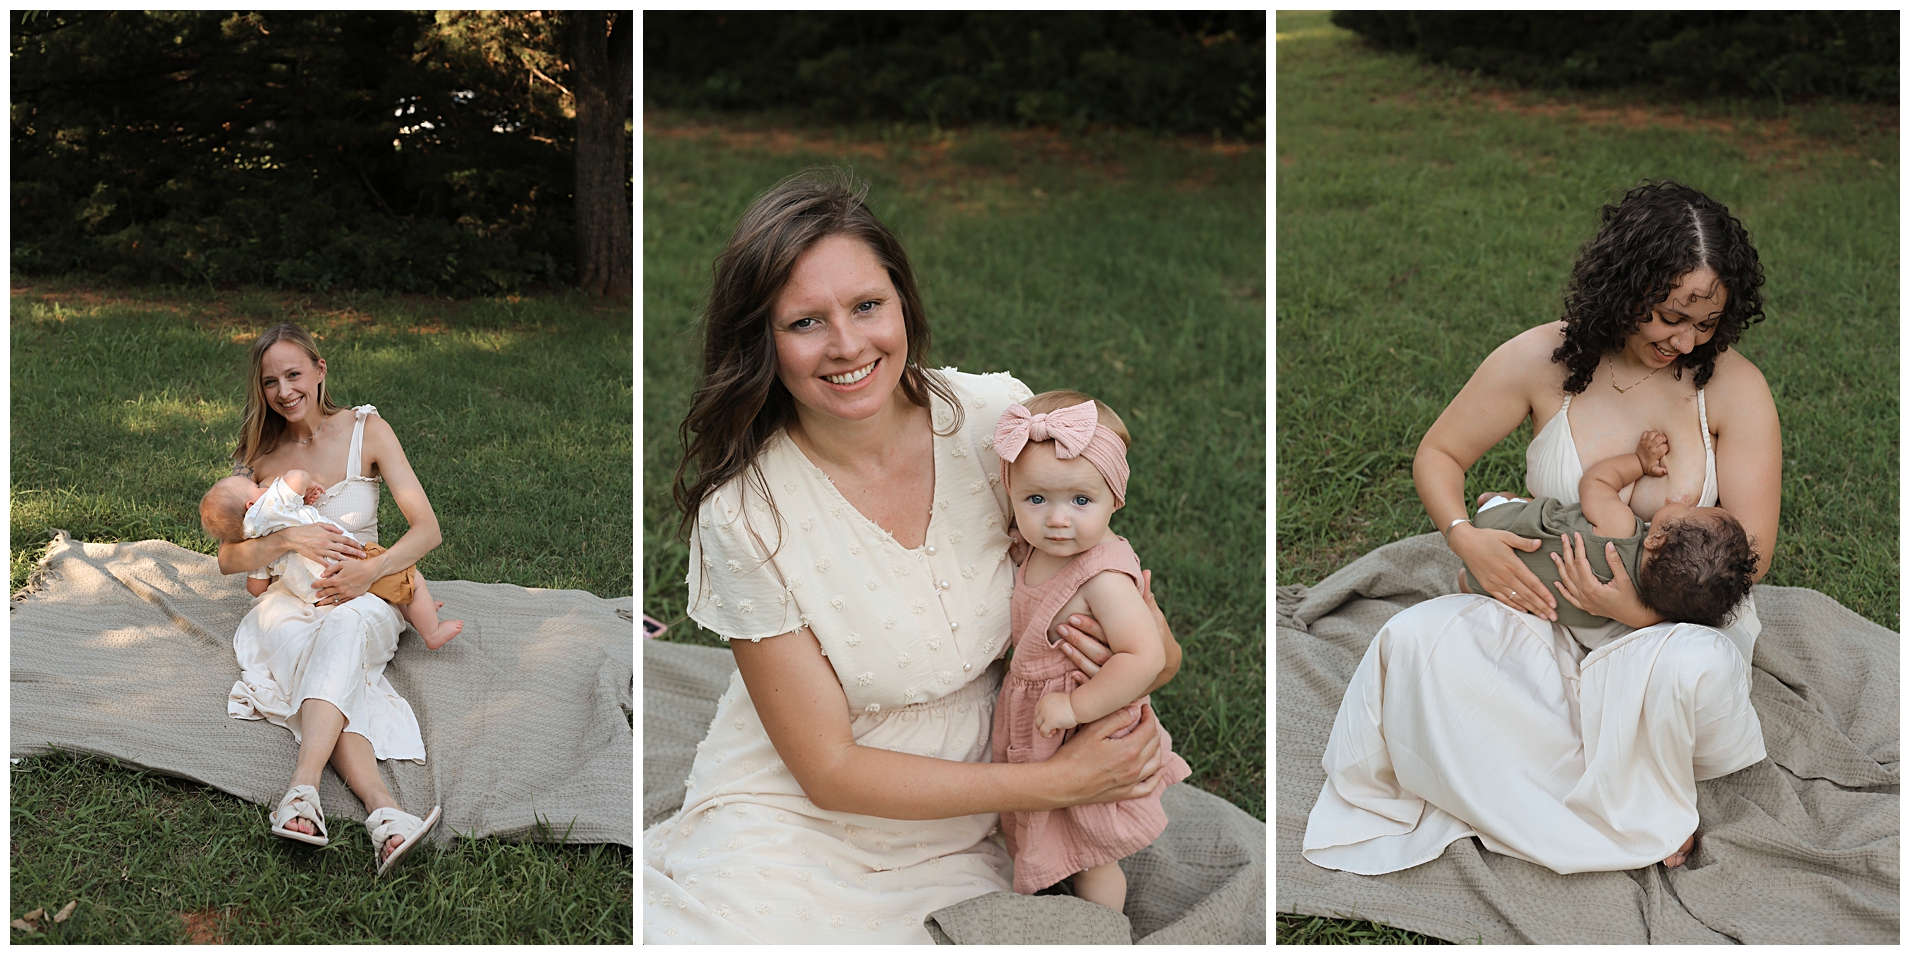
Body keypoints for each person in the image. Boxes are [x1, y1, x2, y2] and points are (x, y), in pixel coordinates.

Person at [642, 170, 1182, 944]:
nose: (848, 345)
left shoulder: (998, 423)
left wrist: (1141, 658)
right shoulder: (746, 514)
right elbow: (826, 770)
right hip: (800, 811)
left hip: (975, 810)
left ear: (903, 301)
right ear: (762, 340)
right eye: (805, 322)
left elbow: (1148, 635)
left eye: (867, 305)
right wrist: (1055, 782)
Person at [1303, 180, 1780, 876]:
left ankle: (1610, 800)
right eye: (1671, 315)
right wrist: (1465, 535)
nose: (1684, 340)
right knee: (1413, 643)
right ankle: (1603, 797)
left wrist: (1639, 613)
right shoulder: (1541, 360)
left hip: (1675, 628)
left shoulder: (1734, 388)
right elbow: (1439, 455)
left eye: (1705, 325)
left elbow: (1753, 553)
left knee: (1692, 671)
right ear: (1628, 283)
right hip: (1543, 612)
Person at [217, 322, 444, 877]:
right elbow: (229, 557)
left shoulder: (368, 430)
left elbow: (426, 530)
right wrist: (288, 538)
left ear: (320, 371)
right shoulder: (263, 454)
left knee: (343, 632)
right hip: (288, 601)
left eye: (294, 374)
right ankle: (386, 814)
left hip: (363, 590)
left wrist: (372, 572)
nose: (284, 391)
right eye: (270, 381)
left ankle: (302, 788)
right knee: (321, 658)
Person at [988, 391, 1193, 911]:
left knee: (1092, 849)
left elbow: (1142, 657)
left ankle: (1105, 925)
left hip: (1085, 718)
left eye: (1081, 501)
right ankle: (1044, 885)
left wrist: (1074, 707)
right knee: (1043, 823)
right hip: (1041, 715)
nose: (1058, 519)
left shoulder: (1102, 577)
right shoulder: (1037, 548)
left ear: (1114, 499)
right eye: (1037, 500)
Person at [1457, 429, 1759, 629]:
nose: (1684, 506)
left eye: (1687, 511)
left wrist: (1639, 462)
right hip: (1515, 596)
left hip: (1500, 527)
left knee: (1539, 508)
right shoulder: (1642, 601)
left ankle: (1494, 502)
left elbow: (1596, 482)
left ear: (1655, 539)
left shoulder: (1620, 527)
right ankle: (1468, 581)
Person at [200, 469, 464, 649]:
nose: (262, 487)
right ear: (250, 505)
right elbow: (296, 477)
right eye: (255, 487)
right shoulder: (268, 506)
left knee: (388, 591)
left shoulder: (252, 540)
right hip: (349, 561)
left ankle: (419, 610)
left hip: (317, 593)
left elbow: (255, 588)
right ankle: (432, 632)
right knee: (412, 578)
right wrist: (304, 483)